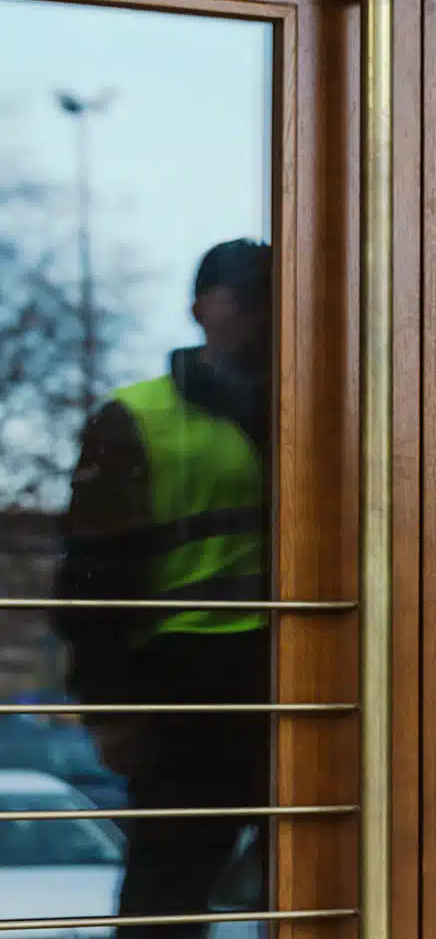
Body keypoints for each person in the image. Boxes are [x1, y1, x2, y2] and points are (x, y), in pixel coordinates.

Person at [52, 239, 274, 936]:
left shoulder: (328, 404)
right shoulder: (137, 418)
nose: (257, 311)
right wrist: (111, 710)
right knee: (167, 894)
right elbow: (91, 581)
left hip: (312, 678)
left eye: (265, 293)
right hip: (189, 693)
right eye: (241, 294)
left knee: (324, 874)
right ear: (199, 311)